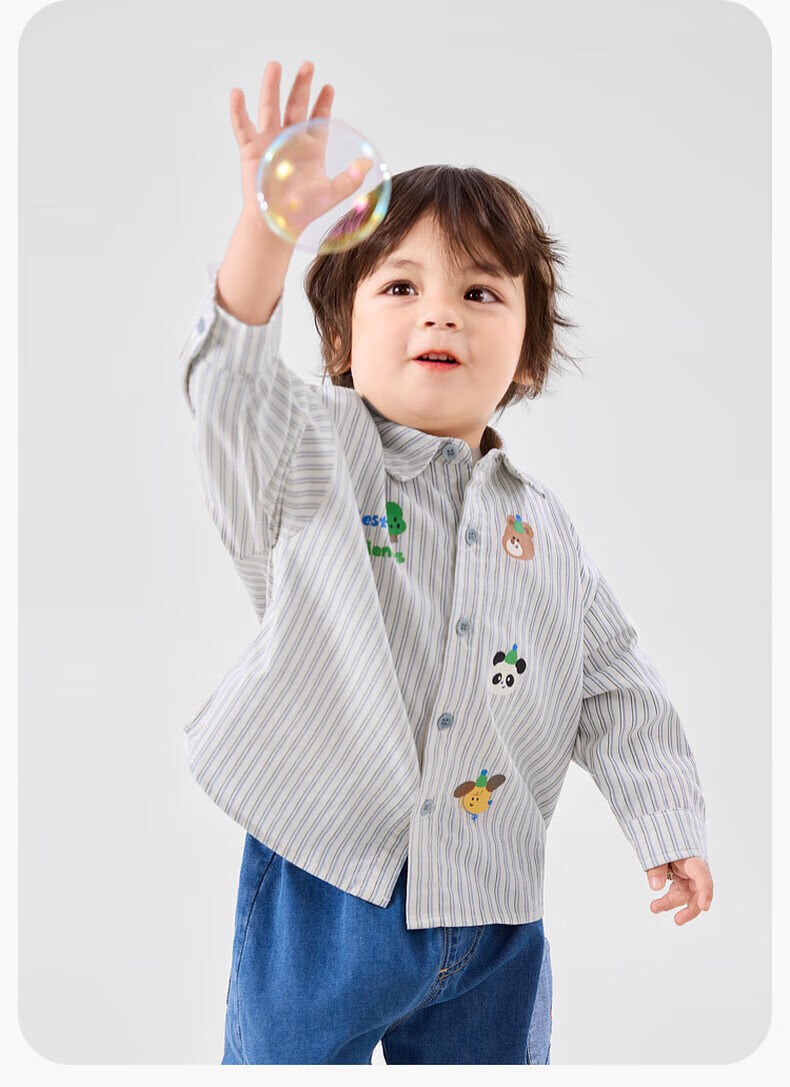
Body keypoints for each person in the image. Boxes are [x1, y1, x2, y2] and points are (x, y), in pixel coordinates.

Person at [178, 60, 714, 1066]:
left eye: (479, 291)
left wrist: (666, 820)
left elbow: (613, 684)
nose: (441, 313)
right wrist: (269, 227)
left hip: (492, 901)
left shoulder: (543, 529)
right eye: (400, 286)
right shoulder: (314, 456)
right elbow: (229, 393)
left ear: (527, 353)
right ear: (340, 336)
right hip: (330, 879)